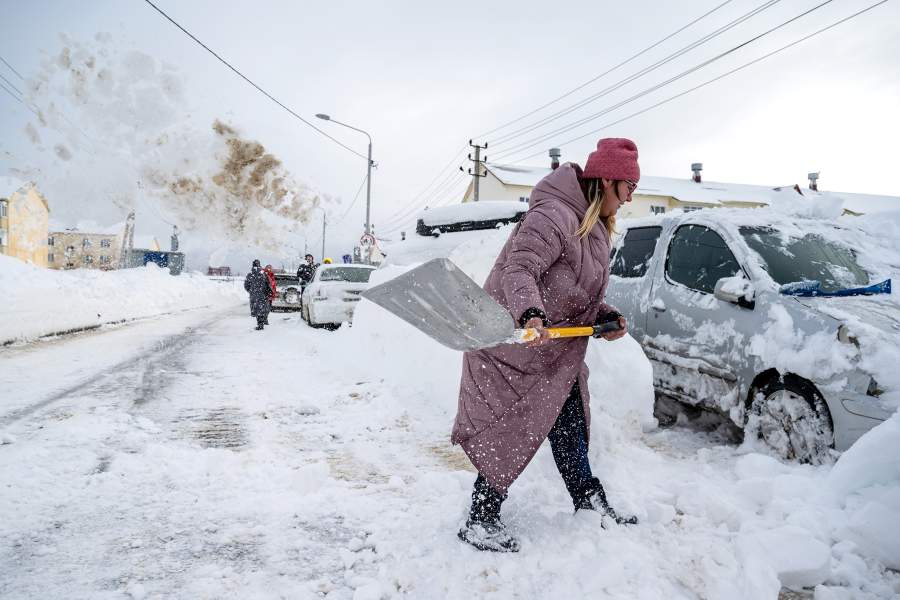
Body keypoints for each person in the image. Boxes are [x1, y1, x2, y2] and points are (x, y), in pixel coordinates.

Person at [452, 138, 641, 553]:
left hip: (555, 354)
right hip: (516, 345)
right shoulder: (554, 213)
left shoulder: (593, 230)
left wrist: (602, 317)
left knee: (570, 425)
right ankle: (481, 518)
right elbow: (521, 268)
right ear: (608, 180)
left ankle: (588, 501)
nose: (630, 197)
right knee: (511, 429)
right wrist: (531, 315)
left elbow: (574, 289)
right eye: (629, 187)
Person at [244, 259, 271, 330]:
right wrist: (267, 292)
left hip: (254, 295)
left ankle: (259, 324)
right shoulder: (263, 274)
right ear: (259, 265)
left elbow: (246, 286)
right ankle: (262, 323)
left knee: (256, 309)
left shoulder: (250, 275)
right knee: (262, 309)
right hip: (263, 295)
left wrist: (251, 291)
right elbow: (268, 284)